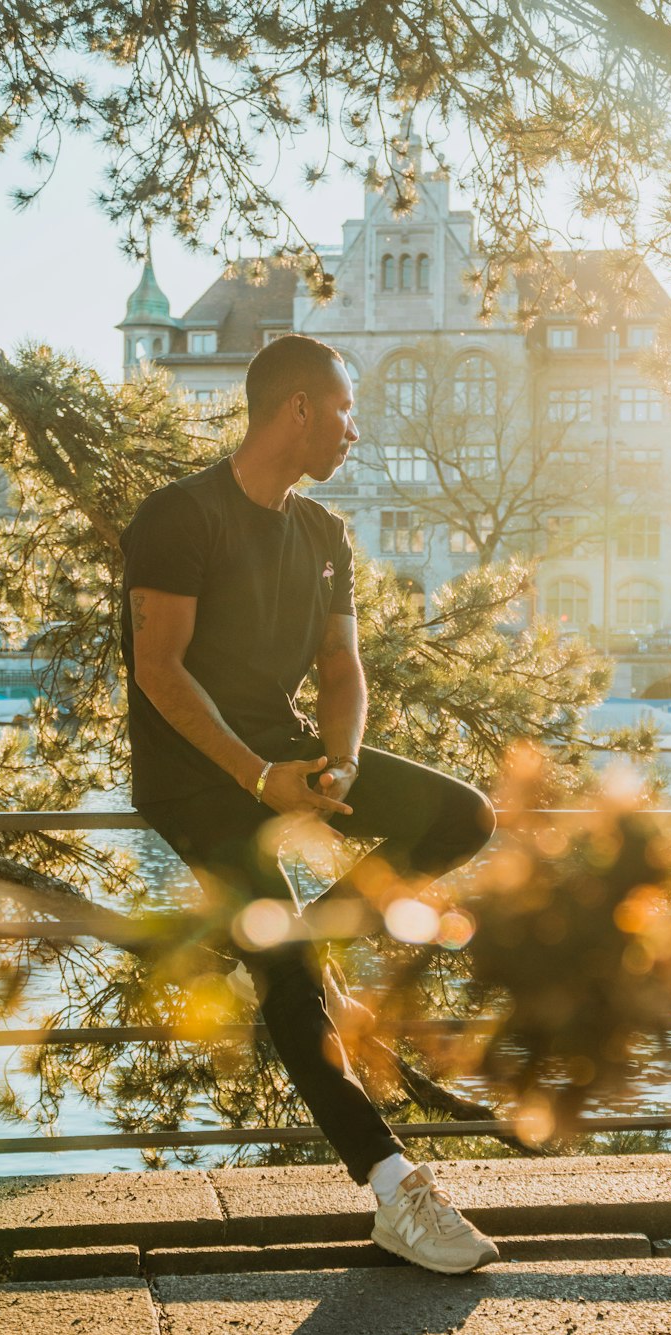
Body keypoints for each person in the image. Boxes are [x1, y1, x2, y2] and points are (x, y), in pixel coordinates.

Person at [120, 334, 499, 1275]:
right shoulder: (177, 516)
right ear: (296, 409)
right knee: (288, 979)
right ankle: (393, 1193)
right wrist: (258, 779)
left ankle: (318, 931)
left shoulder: (324, 535)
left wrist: (338, 762)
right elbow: (158, 671)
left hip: (290, 753)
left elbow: (341, 665)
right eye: (343, 410)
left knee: (464, 817)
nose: (354, 430)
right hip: (197, 778)